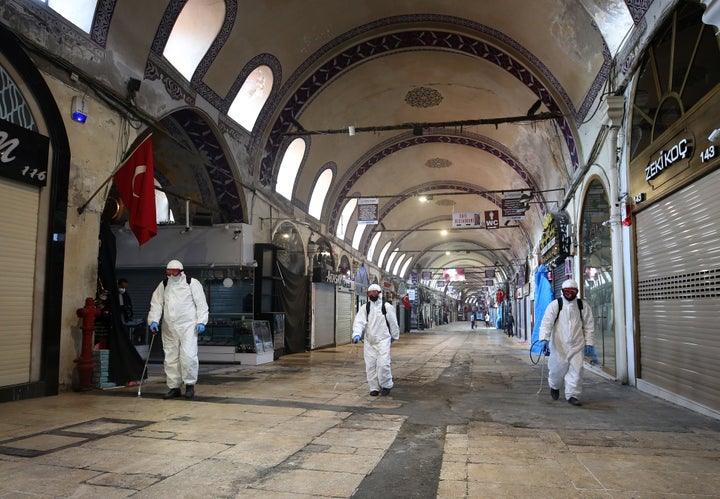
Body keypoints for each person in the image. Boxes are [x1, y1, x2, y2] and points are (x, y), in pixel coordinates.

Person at [148, 260, 209, 400]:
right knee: (170, 358)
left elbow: (201, 304)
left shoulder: (192, 283)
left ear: (180, 271)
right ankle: (174, 387)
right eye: (168, 271)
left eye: (173, 271)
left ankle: (189, 385)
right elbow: (156, 304)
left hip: (188, 326)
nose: (171, 274)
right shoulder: (163, 285)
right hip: (169, 327)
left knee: (188, 356)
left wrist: (201, 321)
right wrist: (153, 321)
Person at [537, 279, 596, 406]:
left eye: (572, 291)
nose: (569, 293)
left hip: (577, 345)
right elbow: (546, 322)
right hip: (559, 345)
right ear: (562, 291)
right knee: (556, 369)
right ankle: (554, 386)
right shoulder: (555, 304)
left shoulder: (583, 306)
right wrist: (544, 339)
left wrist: (589, 342)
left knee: (577, 370)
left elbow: (589, 325)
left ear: (577, 292)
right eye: (567, 291)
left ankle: (573, 395)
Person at [352, 284, 400, 396]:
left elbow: (393, 323)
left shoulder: (387, 307)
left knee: (383, 365)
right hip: (369, 341)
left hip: (383, 340)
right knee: (370, 365)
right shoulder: (365, 308)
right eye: (370, 293)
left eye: (374, 292)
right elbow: (359, 322)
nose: (372, 295)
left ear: (379, 293)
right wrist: (357, 334)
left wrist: (394, 336)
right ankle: (374, 387)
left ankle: (386, 384)